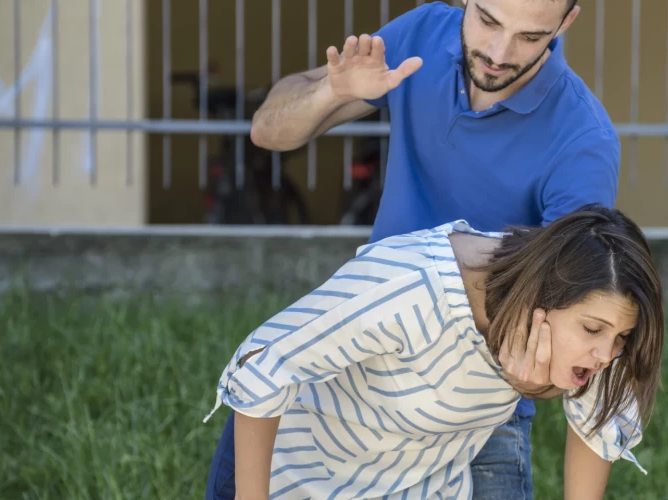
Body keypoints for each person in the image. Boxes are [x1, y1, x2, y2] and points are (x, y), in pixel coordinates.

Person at [207, 0, 622, 498]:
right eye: (487, 20)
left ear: (566, 22)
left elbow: (574, 322)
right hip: (362, 350)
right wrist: (330, 92)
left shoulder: (583, 142)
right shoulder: (424, 34)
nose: (497, 51)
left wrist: (539, 380)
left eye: (529, 37)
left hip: (478, 399)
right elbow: (267, 131)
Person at [203, 204, 664, 500]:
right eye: (594, 330)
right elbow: (264, 364)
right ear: (544, 294)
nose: (607, 354)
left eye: (621, 337)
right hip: (295, 480)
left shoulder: (592, 334)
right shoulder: (411, 285)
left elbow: (597, 423)